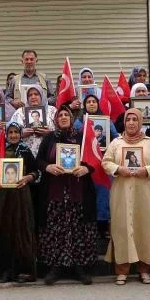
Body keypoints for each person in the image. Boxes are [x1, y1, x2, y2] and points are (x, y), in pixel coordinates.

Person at [35, 105, 98, 285]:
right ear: (56, 119)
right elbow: (39, 160)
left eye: (66, 114)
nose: (63, 117)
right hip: (55, 192)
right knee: (56, 230)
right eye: (60, 115)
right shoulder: (49, 138)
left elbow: (94, 158)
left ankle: (79, 267)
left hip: (78, 191)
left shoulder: (82, 137)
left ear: (71, 118)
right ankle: (57, 267)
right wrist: (48, 167)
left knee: (78, 229)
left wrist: (86, 168)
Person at [102, 108, 150, 285]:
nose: (131, 123)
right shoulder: (116, 143)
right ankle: (122, 271)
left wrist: (146, 170)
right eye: (128, 119)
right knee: (122, 229)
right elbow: (106, 162)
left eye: (134, 120)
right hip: (121, 191)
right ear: (124, 122)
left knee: (145, 228)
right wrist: (118, 169)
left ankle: (144, 270)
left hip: (144, 191)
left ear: (140, 122)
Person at [0, 121, 41, 283]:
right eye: (10, 132)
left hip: (21, 196)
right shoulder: (0, 150)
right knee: (4, 231)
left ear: (20, 133)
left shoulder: (25, 151)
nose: (13, 135)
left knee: (21, 230)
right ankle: (4, 271)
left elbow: (37, 171)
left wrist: (28, 177)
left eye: (16, 132)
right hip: (3, 197)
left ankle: (23, 270)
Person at [72, 94, 119, 238]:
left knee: (103, 194)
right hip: (85, 163)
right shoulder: (78, 122)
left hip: (103, 161)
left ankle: (102, 227)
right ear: (84, 105)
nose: (91, 104)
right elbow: (74, 139)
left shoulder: (108, 121)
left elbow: (116, 138)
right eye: (88, 102)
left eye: (94, 102)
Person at [11, 86, 57, 156]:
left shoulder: (52, 110)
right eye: (30, 95)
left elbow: (60, 132)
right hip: (25, 154)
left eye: (36, 94)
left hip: (47, 153)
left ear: (41, 96)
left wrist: (49, 134)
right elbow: (9, 132)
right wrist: (20, 133)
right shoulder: (20, 112)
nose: (33, 97)